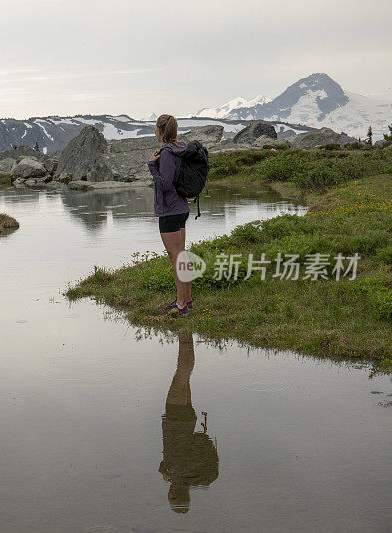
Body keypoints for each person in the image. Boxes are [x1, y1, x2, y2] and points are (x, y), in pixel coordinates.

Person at [159, 333, 219, 513]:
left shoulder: (191, 479)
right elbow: (164, 462)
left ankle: (186, 335)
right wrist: (165, 473)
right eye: (171, 496)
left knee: (184, 376)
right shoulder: (174, 474)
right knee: (182, 374)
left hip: (187, 423)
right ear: (174, 494)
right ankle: (185, 333)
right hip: (175, 421)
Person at [148, 114, 192, 316]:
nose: (155, 132)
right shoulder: (179, 149)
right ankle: (185, 302)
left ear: (161, 130)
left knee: (177, 258)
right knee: (181, 257)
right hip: (181, 208)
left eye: (156, 128)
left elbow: (165, 184)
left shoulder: (166, 154)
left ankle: (182, 305)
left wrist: (152, 166)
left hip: (170, 211)